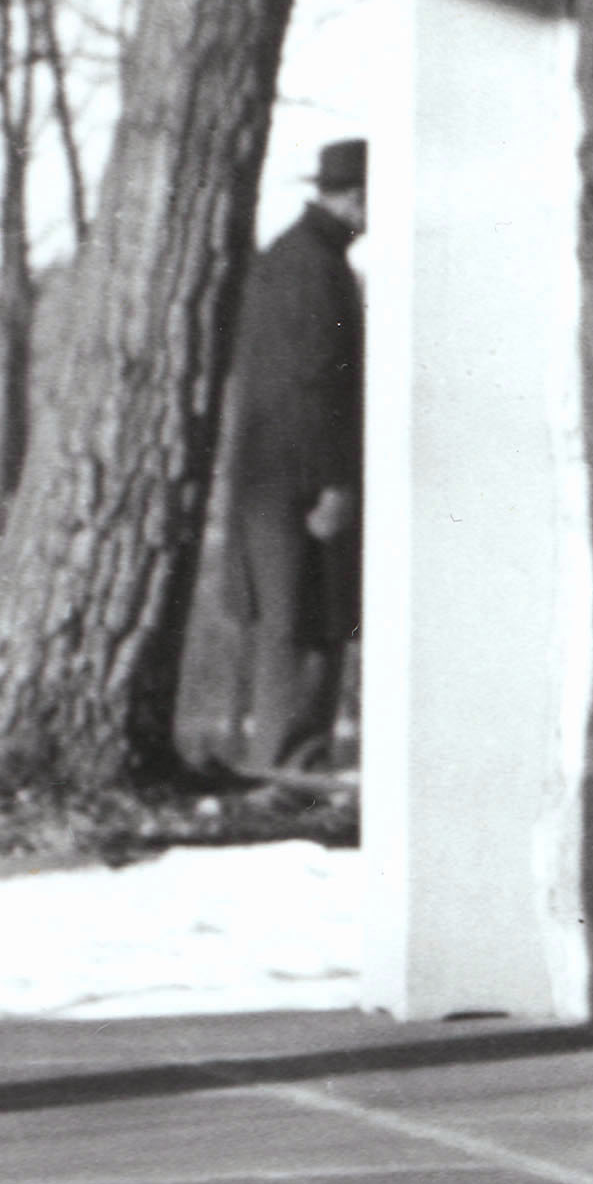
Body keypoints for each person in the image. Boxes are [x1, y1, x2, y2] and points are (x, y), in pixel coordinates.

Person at [224, 136, 364, 770]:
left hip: (277, 477)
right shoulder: (313, 267)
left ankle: (286, 769)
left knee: (299, 625)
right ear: (357, 198)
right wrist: (333, 483)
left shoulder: (298, 256)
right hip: (299, 482)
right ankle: (287, 775)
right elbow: (311, 383)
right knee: (303, 628)